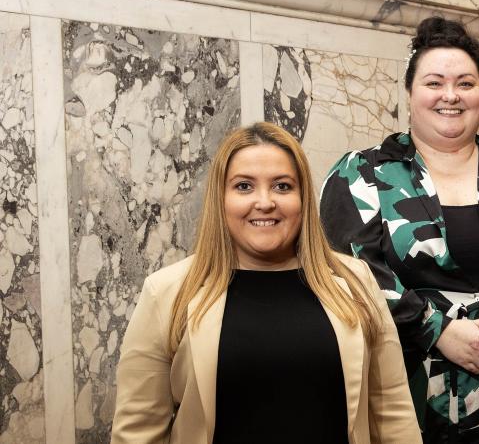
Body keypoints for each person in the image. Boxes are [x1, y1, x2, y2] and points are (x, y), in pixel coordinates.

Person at [320, 16, 479, 443]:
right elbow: (348, 275)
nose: (450, 95)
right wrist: (439, 331)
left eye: (466, 84)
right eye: (434, 83)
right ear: (410, 93)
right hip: (412, 395)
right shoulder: (362, 173)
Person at [112, 122, 421, 443]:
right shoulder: (166, 293)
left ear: (303, 197)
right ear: (221, 198)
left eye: (282, 186)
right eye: (244, 186)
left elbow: (393, 413)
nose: (264, 201)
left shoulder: (357, 283)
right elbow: (138, 431)